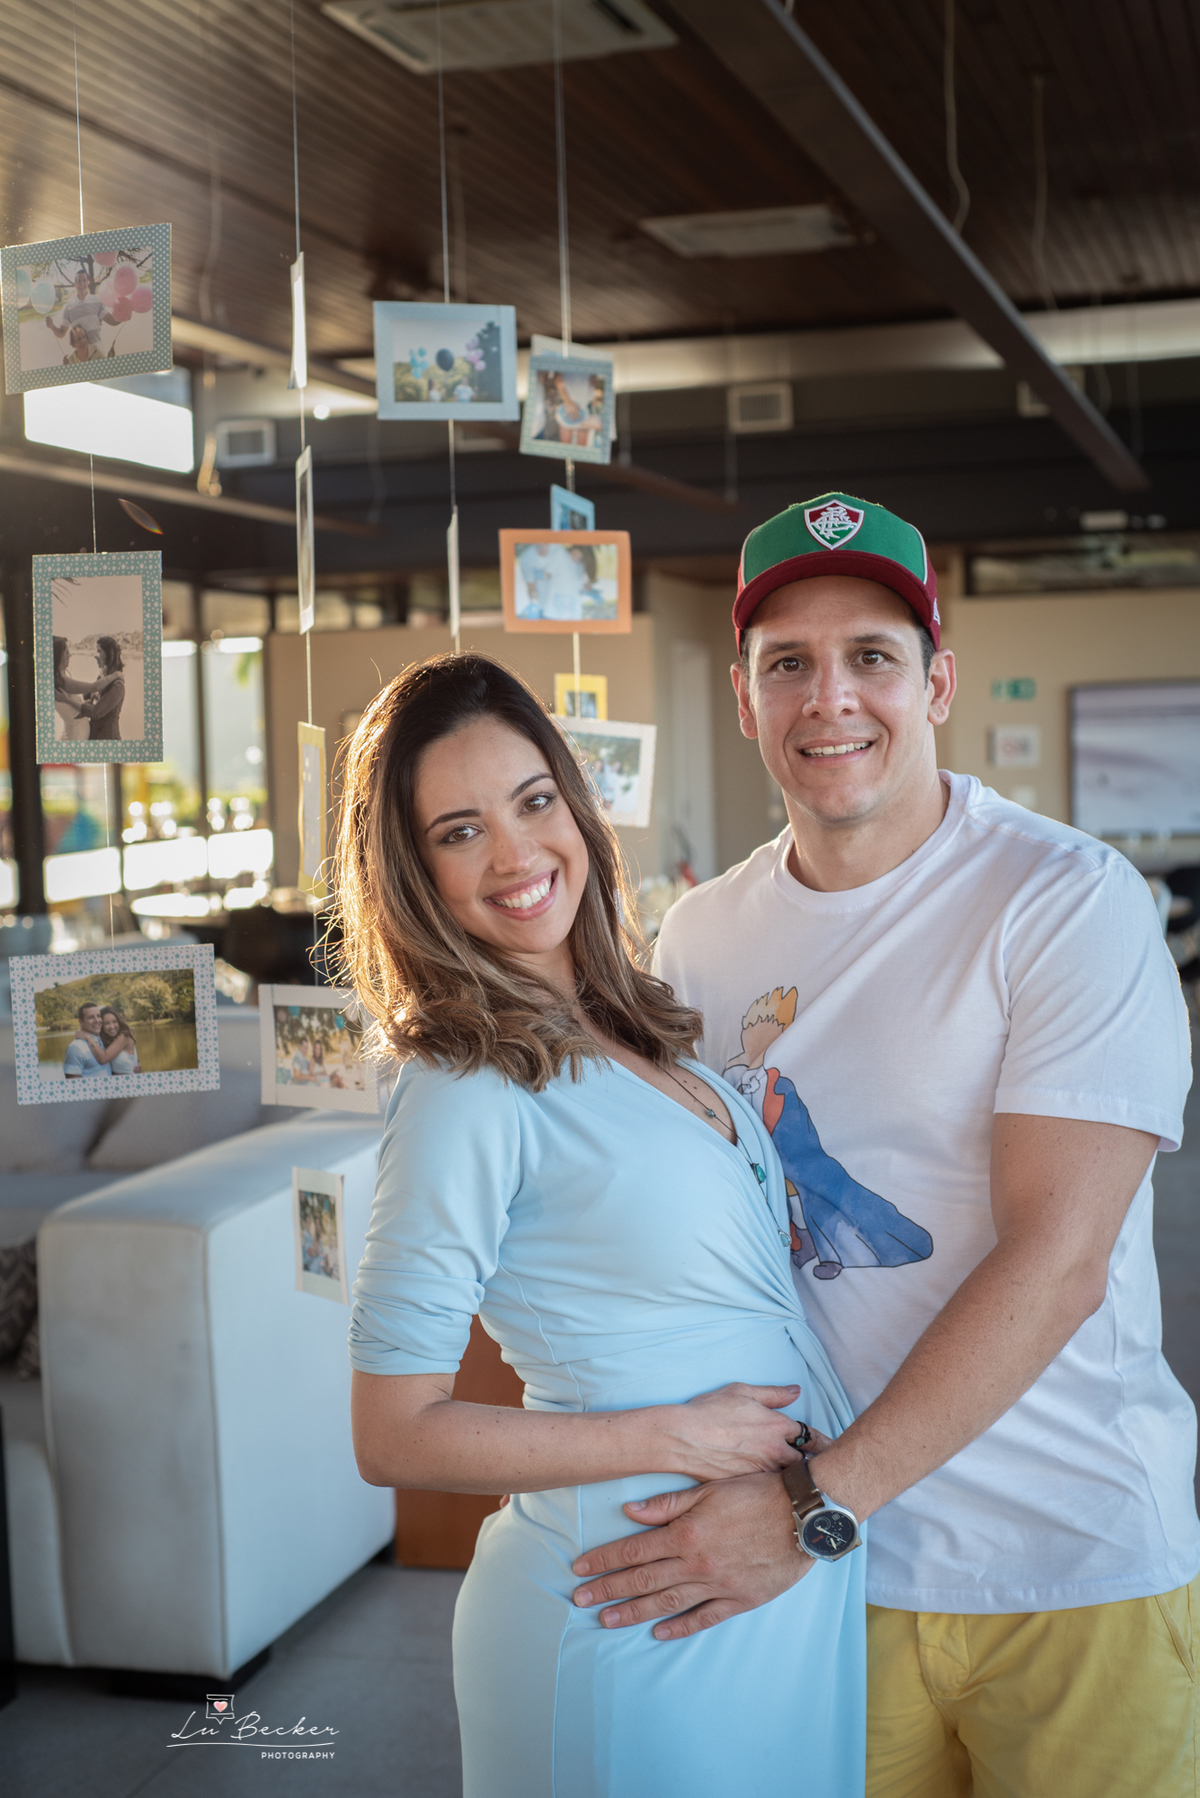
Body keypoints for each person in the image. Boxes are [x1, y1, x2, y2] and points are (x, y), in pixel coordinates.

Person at [569, 493, 1197, 1798]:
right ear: (745, 699)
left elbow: (1060, 1260)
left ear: (937, 683)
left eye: (872, 656)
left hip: (1064, 1559)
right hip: (830, 1578)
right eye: (787, 663)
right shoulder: (702, 934)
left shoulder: (1064, 899)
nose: (830, 698)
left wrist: (813, 1503)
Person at [338, 653, 866, 1798]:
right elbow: (394, 1433)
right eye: (460, 831)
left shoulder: (638, 1029)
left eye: (534, 801)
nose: (517, 854)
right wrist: (673, 1433)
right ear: (413, 872)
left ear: (576, 805)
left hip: (766, 1571)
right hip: (630, 1595)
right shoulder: (461, 1082)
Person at [45, 267, 119, 356]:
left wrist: (124, 316)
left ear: (88, 282)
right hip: (81, 356)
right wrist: (52, 326)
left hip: (98, 353)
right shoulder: (69, 307)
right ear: (75, 284)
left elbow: (111, 320)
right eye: (79, 281)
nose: (82, 283)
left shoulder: (97, 301)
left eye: (84, 280)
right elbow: (61, 333)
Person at [73, 636, 125, 741]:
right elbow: (88, 697)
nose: (95, 656)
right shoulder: (101, 678)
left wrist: (69, 701)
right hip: (94, 736)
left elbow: (96, 712)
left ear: (109, 654)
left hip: (108, 739)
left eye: (99, 651)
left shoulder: (118, 686)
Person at [62, 1003, 114, 1078]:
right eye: (91, 1017)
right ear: (81, 1022)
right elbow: (73, 1083)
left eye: (98, 1016)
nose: (97, 1020)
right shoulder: (75, 1048)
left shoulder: (104, 1039)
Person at [90, 1006, 141, 1076]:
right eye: (107, 1023)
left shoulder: (124, 1036)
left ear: (119, 1022)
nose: (112, 1026)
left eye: (114, 1022)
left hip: (129, 1080)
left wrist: (88, 1038)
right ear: (101, 1025)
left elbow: (103, 1059)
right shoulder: (109, 1039)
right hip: (115, 1079)